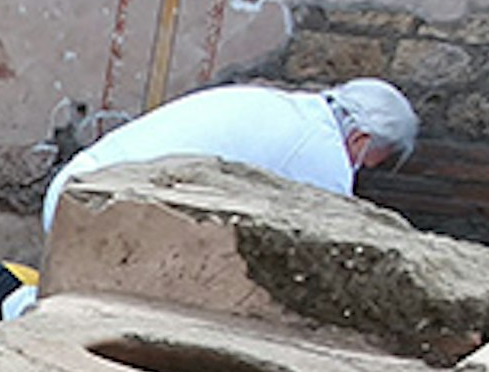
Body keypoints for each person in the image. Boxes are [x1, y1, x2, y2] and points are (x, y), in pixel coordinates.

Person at [40, 77, 419, 246]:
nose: (359, 170)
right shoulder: (322, 153)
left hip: (76, 188)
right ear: (360, 139)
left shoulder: (277, 104)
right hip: (100, 212)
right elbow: (333, 246)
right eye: (367, 162)